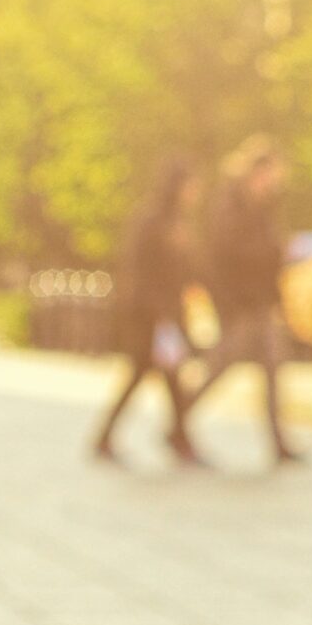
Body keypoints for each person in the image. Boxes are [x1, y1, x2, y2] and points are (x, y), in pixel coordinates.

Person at [190, 138, 305, 466]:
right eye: (272, 174)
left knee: (271, 369)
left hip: (260, 304)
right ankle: (179, 420)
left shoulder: (265, 207)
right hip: (239, 305)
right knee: (220, 367)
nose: (276, 181)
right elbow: (225, 258)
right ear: (257, 172)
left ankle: (278, 443)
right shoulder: (231, 206)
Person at [92, 160, 205, 467]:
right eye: (192, 186)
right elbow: (141, 270)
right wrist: (159, 313)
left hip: (166, 313)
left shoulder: (178, 221)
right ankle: (178, 440)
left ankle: (176, 438)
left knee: (162, 377)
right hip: (150, 315)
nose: (196, 193)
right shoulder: (152, 221)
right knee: (151, 375)